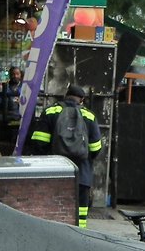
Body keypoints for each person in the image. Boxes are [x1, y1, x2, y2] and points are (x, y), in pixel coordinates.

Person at [30, 84, 103, 228]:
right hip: (82, 175)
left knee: (54, 213)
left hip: (54, 174)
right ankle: (80, 236)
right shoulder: (89, 116)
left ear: (65, 96)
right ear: (81, 100)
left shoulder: (50, 112)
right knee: (80, 216)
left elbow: (39, 143)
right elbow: (96, 148)